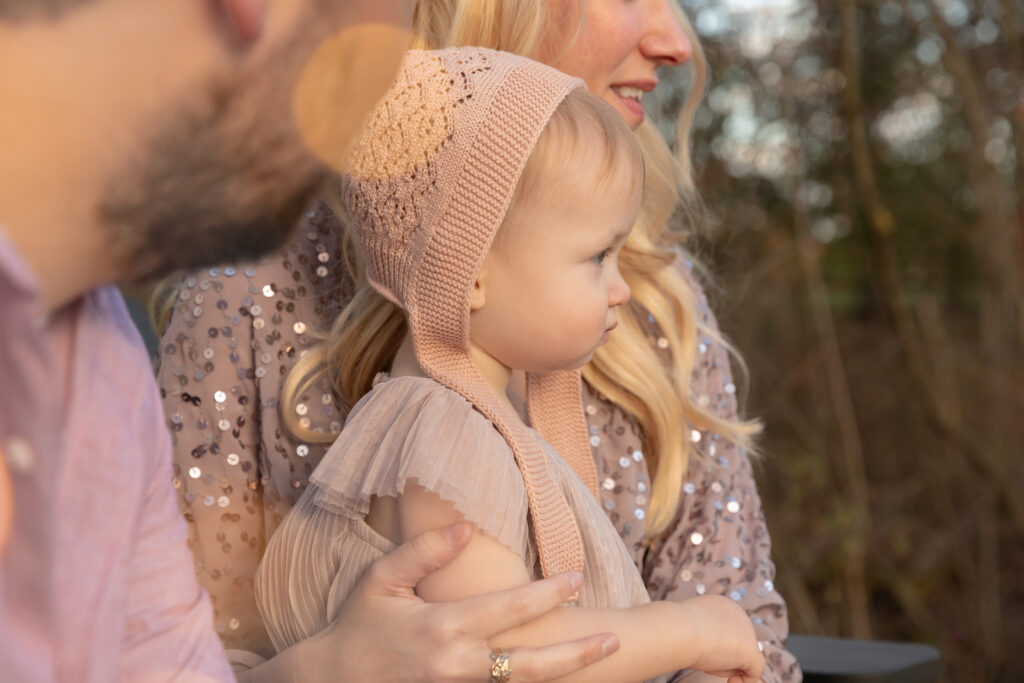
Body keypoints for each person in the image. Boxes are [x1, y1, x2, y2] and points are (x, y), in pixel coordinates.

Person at [158, 1, 802, 681]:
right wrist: (324, 670)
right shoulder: (440, 427)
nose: (677, 42)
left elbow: (750, 634)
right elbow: (516, 649)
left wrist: (714, 646)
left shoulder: (655, 302)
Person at [0, 1, 616, 681]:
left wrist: (326, 668)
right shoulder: (442, 431)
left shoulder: (104, 369)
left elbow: (172, 669)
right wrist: (690, 631)